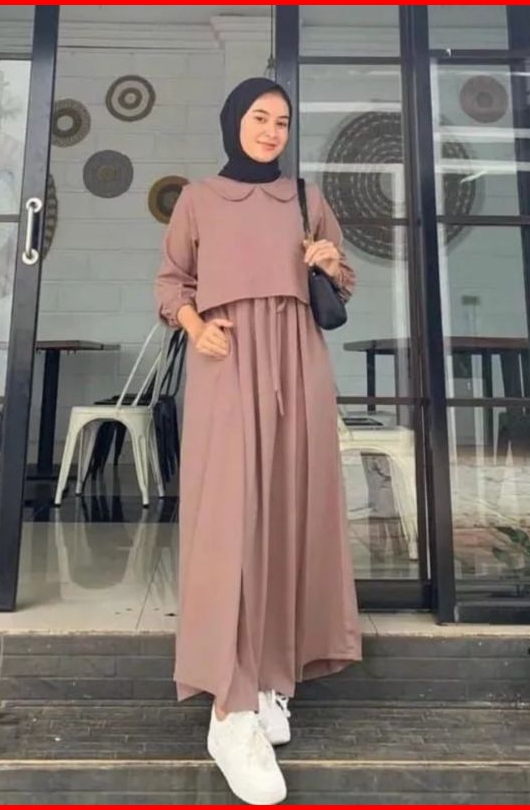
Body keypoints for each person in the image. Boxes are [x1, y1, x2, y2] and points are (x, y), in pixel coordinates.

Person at [155, 77, 362, 805]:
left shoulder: (306, 197)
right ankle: (229, 707)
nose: (272, 130)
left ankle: (272, 677)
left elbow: (343, 278)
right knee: (229, 523)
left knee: (289, 513)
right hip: (228, 360)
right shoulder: (198, 199)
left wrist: (327, 263)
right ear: (232, 122)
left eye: (282, 120)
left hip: (299, 362)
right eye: (259, 117)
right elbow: (171, 281)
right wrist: (195, 326)